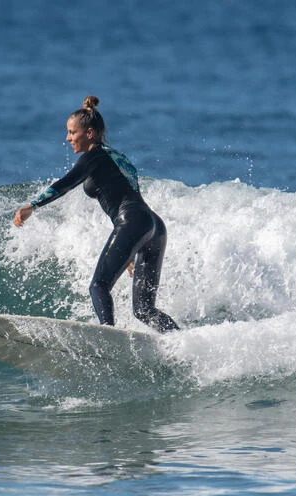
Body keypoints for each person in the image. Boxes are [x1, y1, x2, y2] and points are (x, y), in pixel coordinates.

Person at [13, 96, 179, 333]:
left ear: (89, 133)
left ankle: (108, 336)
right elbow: (130, 194)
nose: (68, 138)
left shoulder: (93, 157)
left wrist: (33, 206)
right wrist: (133, 248)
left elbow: (67, 183)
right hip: (153, 226)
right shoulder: (116, 157)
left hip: (133, 221)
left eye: (72, 132)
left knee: (98, 286)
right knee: (144, 310)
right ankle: (182, 342)